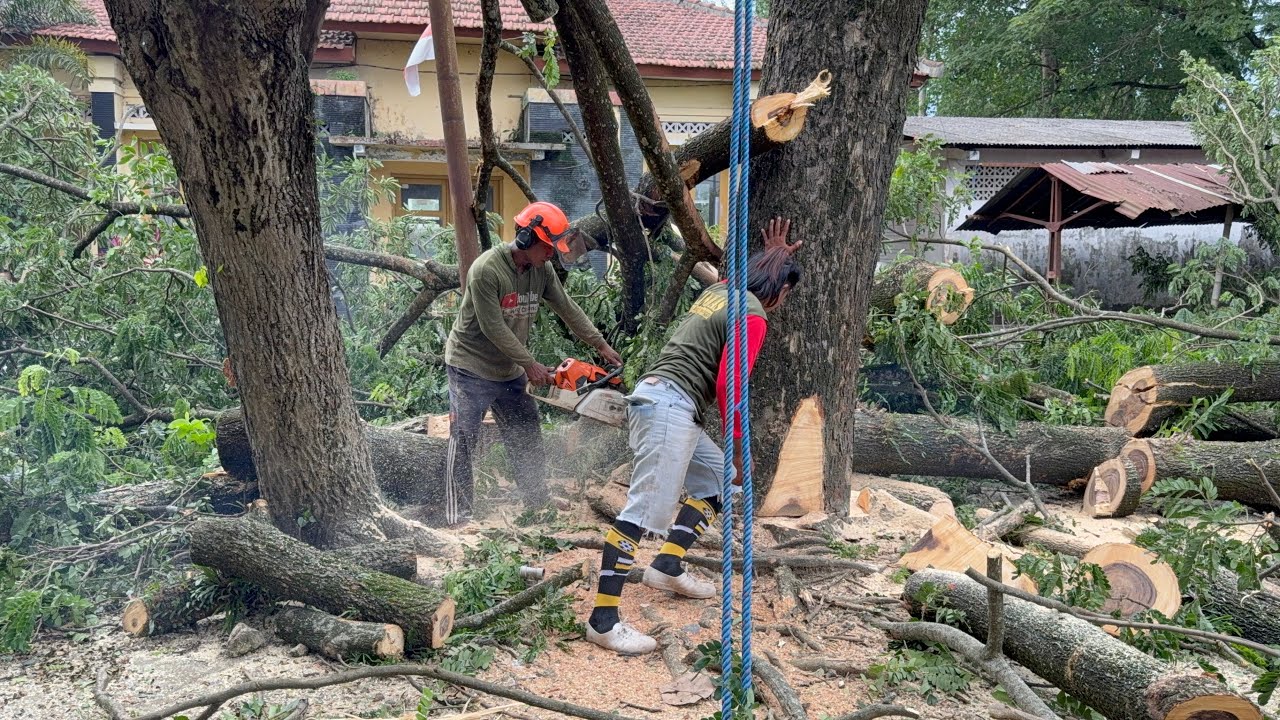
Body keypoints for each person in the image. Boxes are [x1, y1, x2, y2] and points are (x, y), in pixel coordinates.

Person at [585, 217, 802, 655]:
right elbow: (729, 387)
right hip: (671, 407)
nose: (783, 303)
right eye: (786, 294)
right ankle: (603, 621)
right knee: (642, 511)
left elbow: (731, 275)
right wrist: (742, 451)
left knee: (716, 482)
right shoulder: (754, 314)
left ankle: (667, 565)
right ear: (778, 290)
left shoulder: (718, 292)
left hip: (662, 398)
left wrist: (775, 253)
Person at [442, 201, 623, 526]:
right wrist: (531, 364)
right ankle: (459, 516)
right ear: (526, 240)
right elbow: (492, 327)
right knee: (464, 438)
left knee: (527, 433)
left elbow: (566, 307)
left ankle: (537, 502)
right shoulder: (487, 271)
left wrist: (599, 343)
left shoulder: (543, 270)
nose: (551, 254)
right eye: (547, 247)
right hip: (469, 367)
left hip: (509, 370)